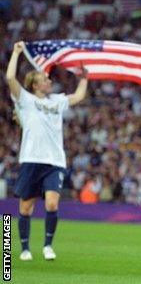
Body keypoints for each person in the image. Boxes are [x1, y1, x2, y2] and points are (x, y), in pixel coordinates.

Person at [6, 41, 88, 261]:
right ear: (35, 85)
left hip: (54, 162)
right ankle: (24, 248)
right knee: (25, 209)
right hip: (31, 159)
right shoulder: (25, 100)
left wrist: (84, 79)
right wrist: (16, 53)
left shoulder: (58, 101)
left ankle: (48, 246)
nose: (49, 81)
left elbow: (78, 97)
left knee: (52, 203)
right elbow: (10, 79)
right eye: (45, 79)